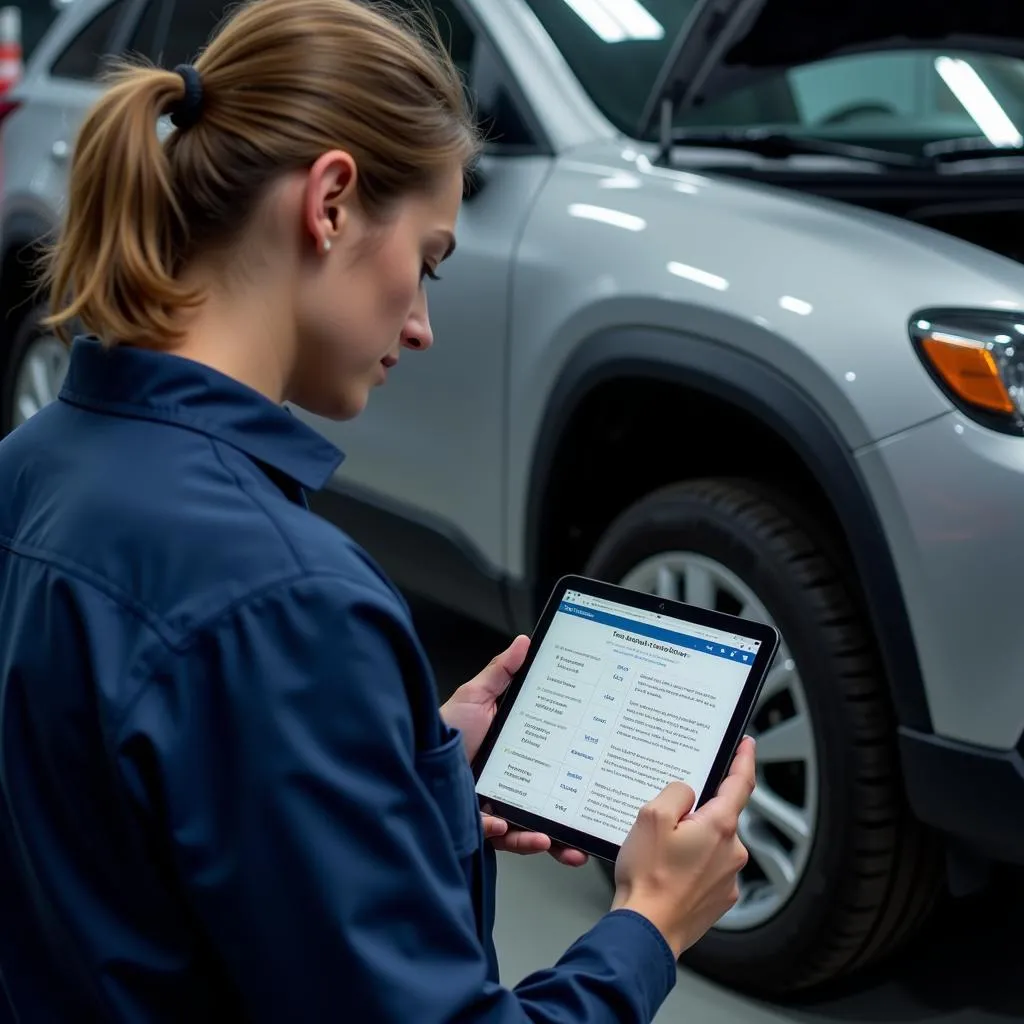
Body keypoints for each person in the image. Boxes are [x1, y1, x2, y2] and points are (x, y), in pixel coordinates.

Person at [0, 0, 755, 1020]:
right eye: (430, 258)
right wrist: (648, 926)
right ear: (331, 202)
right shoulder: (286, 599)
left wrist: (403, 761)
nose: (423, 322)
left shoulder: (32, 463)